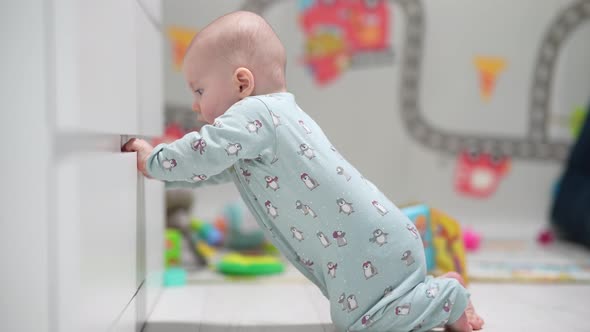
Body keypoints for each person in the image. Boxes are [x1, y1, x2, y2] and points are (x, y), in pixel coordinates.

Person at [124, 11, 484, 332]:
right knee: (361, 319)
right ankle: (429, 295)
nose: (196, 103)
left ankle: (445, 298)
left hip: (370, 248)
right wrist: (164, 174)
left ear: (241, 83)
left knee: (360, 324)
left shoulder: (256, 114)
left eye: (200, 89)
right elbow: (217, 166)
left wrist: (153, 160)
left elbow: (206, 151)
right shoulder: (269, 122)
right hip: (373, 244)